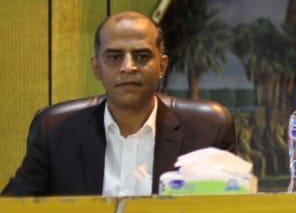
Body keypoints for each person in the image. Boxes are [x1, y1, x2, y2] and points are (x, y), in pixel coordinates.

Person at [2, 11, 237, 196]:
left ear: (162, 66)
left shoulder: (208, 132)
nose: (128, 67)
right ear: (96, 68)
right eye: (114, 57)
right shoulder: (55, 131)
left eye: (141, 56)